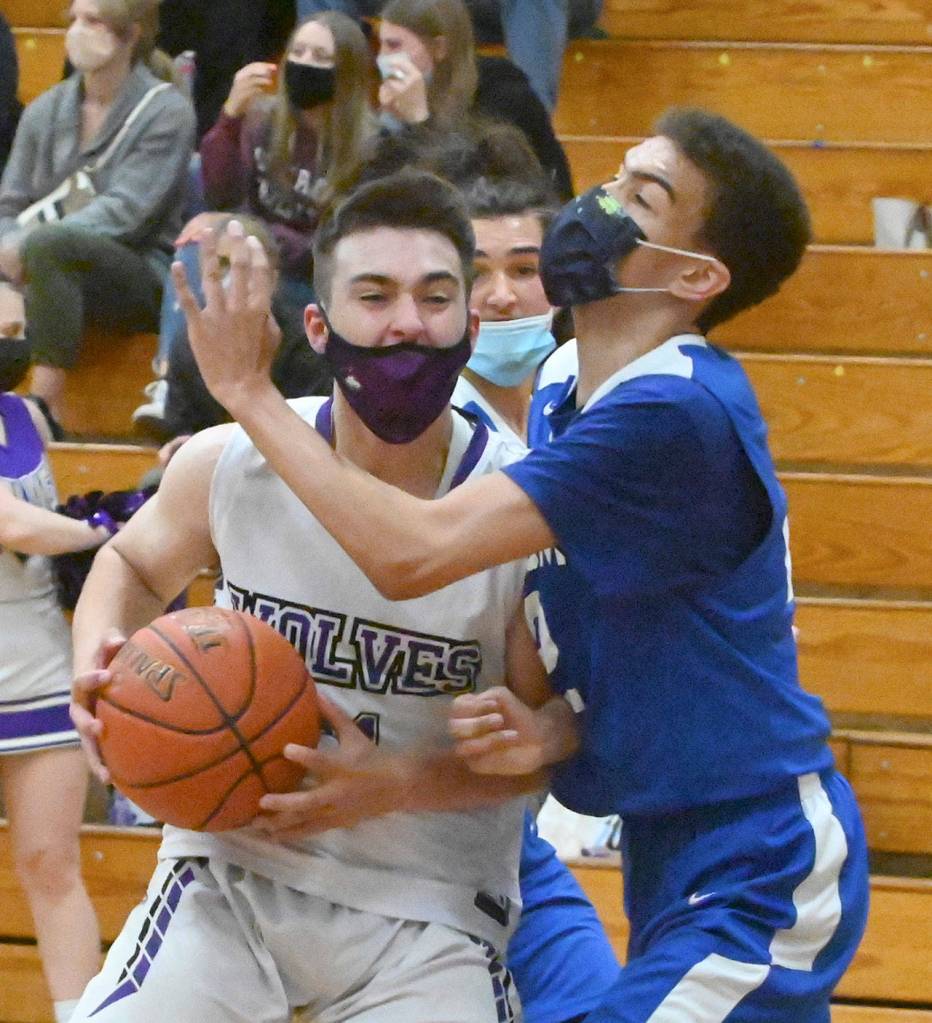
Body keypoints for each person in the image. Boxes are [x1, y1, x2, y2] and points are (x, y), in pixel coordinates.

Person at [178, 108, 871, 1022]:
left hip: (762, 854)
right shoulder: (563, 384)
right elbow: (642, 634)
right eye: (615, 174)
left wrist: (245, 393)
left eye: (640, 197)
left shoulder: (675, 414)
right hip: (673, 845)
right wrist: (555, 729)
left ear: (694, 275)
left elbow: (409, 553)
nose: (598, 201)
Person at [68, 171, 563, 1023]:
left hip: (428, 906)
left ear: (470, 327)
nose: (407, 320)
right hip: (228, 874)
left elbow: (547, 749)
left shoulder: (520, 503)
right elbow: (134, 566)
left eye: (433, 297)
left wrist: (399, 783)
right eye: (374, 296)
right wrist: (97, 653)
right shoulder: (228, 459)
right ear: (317, 324)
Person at [133, 10, 375, 431]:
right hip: (251, 260)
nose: (304, 62)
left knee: (221, 238)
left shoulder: (368, 145)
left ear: (346, 72)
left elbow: (342, 245)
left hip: (311, 281)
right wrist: (229, 115)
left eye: (320, 55)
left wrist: (256, 236)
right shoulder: (265, 118)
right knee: (201, 242)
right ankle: (171, 380)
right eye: (297, 51)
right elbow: (220, 194)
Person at [0, 0, 195, 429]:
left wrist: (26, 247)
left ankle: (45, 406)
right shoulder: (44, 110)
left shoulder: (166, 112)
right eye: (73, 20)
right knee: (41, 249)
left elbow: (127, 213)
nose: (77, 31)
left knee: (50, 244)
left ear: (131, 34)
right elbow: (9, 204)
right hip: (46, 264)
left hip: (138, 270)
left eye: (93, 21)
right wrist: (8, 247)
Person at [0, 343, 113, 1023]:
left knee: (52, 863)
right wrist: (95, 533)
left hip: (39, 669)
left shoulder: (22, 415)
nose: (11, 340)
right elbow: (10, 522)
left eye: (16, 325)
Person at [376, 0, 574, 200]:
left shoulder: (504, 98)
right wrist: (391, 124)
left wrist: (419, 122)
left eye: (393, 46)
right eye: (380, 44)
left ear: (439, 48)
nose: (382, 57)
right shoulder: (401, 103)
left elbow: (462, 189)